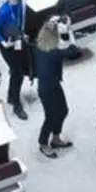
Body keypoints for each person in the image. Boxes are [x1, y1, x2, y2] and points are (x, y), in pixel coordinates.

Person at [33, 16, 79, 157]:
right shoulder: (54, 53)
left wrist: (55, 24)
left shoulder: (39, 45)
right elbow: (74, 51)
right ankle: (43, 143)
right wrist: (69, 31)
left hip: (50, 85)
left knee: (63, 110)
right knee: (50, 117)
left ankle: (56, 138)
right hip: (48, 89)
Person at [0, 0, 31, 120]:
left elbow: (19, 22)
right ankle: (16, 105)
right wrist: (4, 43)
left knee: (18, 71)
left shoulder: (20, 5)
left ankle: (11, 95)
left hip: (17, 39)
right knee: (18, 74)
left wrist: (22, 33)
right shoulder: (4, 11)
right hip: (7, 45)